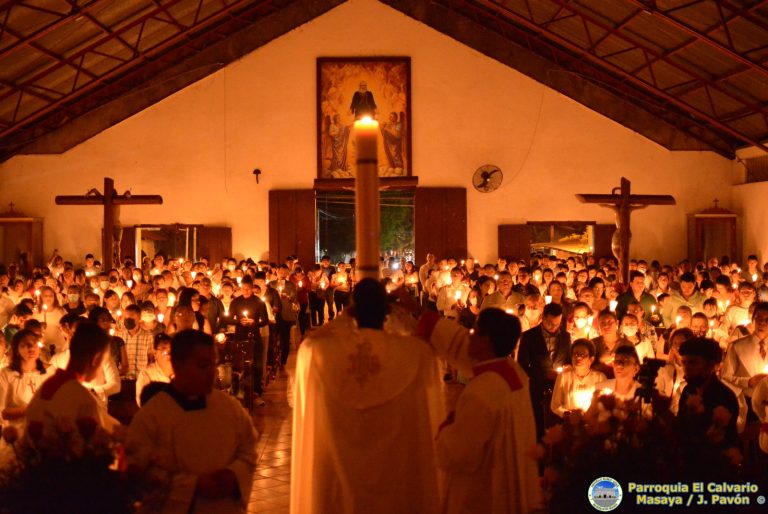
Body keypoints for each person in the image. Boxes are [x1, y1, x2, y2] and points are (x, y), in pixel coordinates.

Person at [291, 279, 470, 514]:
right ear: (387, 311)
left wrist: (343, 317)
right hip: (396, 481)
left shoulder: (319, 353)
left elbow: (308, 345)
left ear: (351, 309)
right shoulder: (414, 354)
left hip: (337, 479)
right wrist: (413, 312)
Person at [127, 330, 257, 514]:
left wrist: (233, 475)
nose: (211, 372)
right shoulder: (151, 416)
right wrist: (193, 487)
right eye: (203, 366)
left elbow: (248, 448)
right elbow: (142, 474)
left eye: (213, 364)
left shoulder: (228, 407)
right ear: (178, 365)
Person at [435, 309, 541, 514]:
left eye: (475, 332)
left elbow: (460, 455)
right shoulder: (515, 373)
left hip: (486, 491)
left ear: (486, 341)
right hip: (511, 480)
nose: (469, 336)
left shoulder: (481, 392)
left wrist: (446, 427)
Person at [26, 321, 117, 436]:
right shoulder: (82, 398)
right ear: (96, 359)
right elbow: (98, 441)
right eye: (103, 362)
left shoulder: (49, 385)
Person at [677, 337, 740, 477]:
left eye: (693, 362)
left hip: (714, 469)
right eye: (684, 362)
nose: (686, 368)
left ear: (711, 366)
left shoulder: (725, 396)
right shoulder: (688, 390)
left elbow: (721, 438)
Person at [517, 302, 570, 438]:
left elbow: (568, 360)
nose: (553, 327)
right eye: (550, 323)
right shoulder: (529, 337)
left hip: (559, 388)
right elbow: (522, 366)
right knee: (538, 426)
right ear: (543, 318)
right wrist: (545, 375)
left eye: (557, 324)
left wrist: (566, 368)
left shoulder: (566, 337)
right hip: (537, 388)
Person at [0, 329, 49, 432]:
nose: (31, 348)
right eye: (24, 345)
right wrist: (30, 409)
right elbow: (2, 412)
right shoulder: (7, 374)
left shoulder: (50, 372)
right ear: (17, 350)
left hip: (46, 434)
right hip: (18, 434)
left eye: (34, 343)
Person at [550, 339, 606, 417]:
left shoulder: (599, 378)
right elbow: (555, 406)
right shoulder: (564, 377)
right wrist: (569, 415)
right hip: (570, 424)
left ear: (591, 359)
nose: (578, 357)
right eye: (575, 354)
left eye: (582, 354)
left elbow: (604, 404)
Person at [135, 333, 174, 406]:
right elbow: (141, 400)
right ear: (155, 353)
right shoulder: (147, 374)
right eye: (164, 350)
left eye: (171, 351)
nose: (169, 354)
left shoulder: (180, 373)